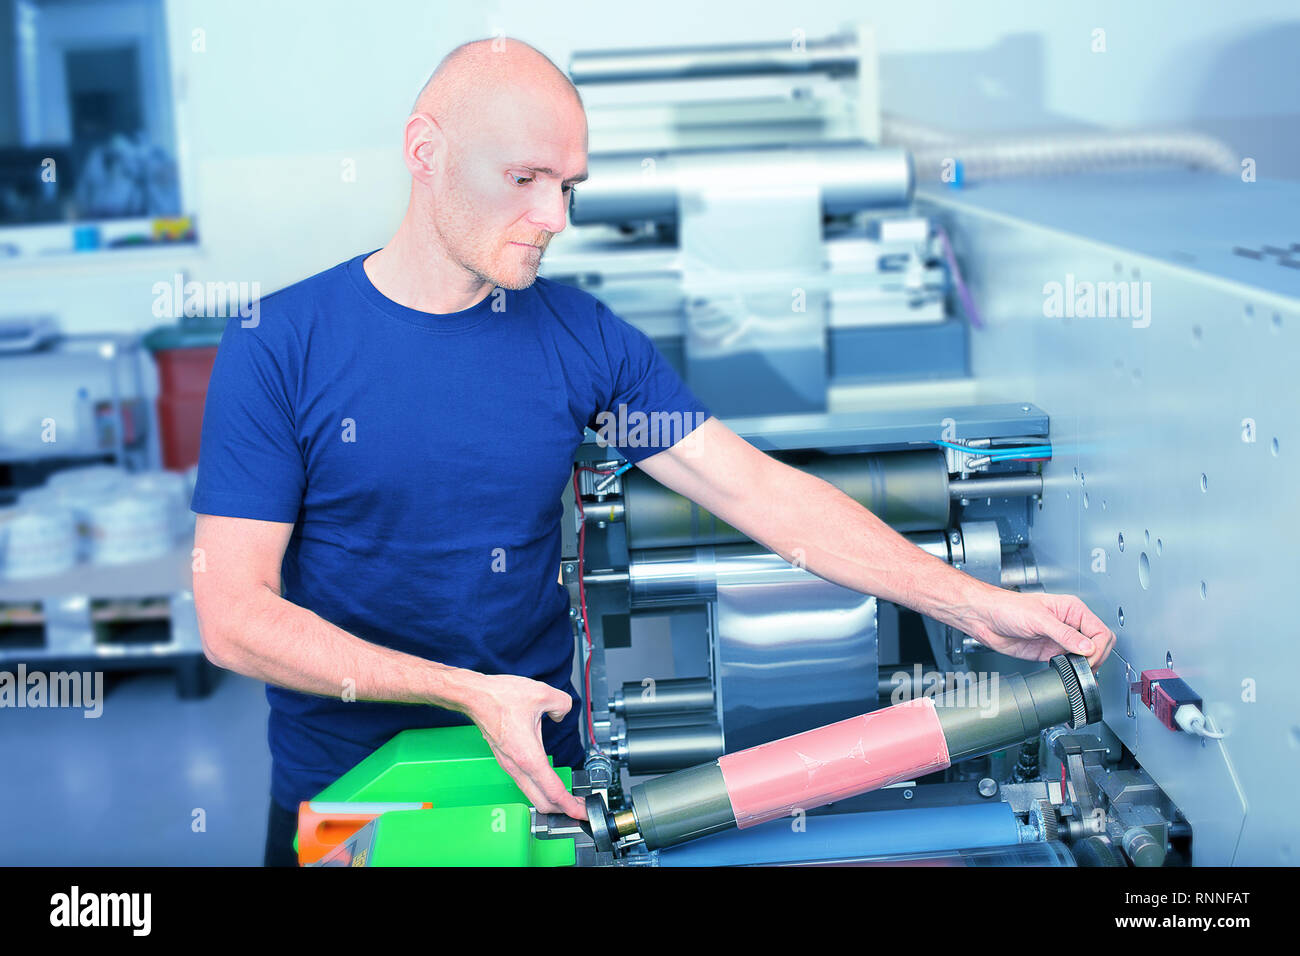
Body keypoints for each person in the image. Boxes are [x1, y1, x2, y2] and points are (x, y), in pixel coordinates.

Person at [190, 37, 1115, 868]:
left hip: (540, 795)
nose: (556, 216)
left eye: (569, 185)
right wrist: (465, 692)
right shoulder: (281, 344)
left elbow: (754, 492)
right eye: (525, 180)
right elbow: (232, 614)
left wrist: (978, 604)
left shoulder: (578, 339)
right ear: (424, 151)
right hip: (353, 804)